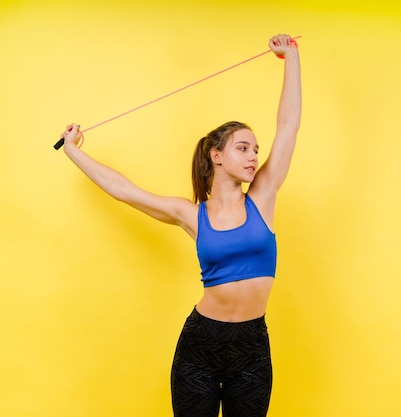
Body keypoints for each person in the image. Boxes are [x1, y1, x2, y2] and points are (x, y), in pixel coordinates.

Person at [60, 33, 301, 417]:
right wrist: (73, 150)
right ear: (216, 155)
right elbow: (125, 191)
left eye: (256, 149)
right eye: (243, 147)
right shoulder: (192, 215)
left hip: (252, 347)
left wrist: (291, 57)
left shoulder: (263, 198)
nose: (254, 155)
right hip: (200, 346)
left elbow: (288, 126)